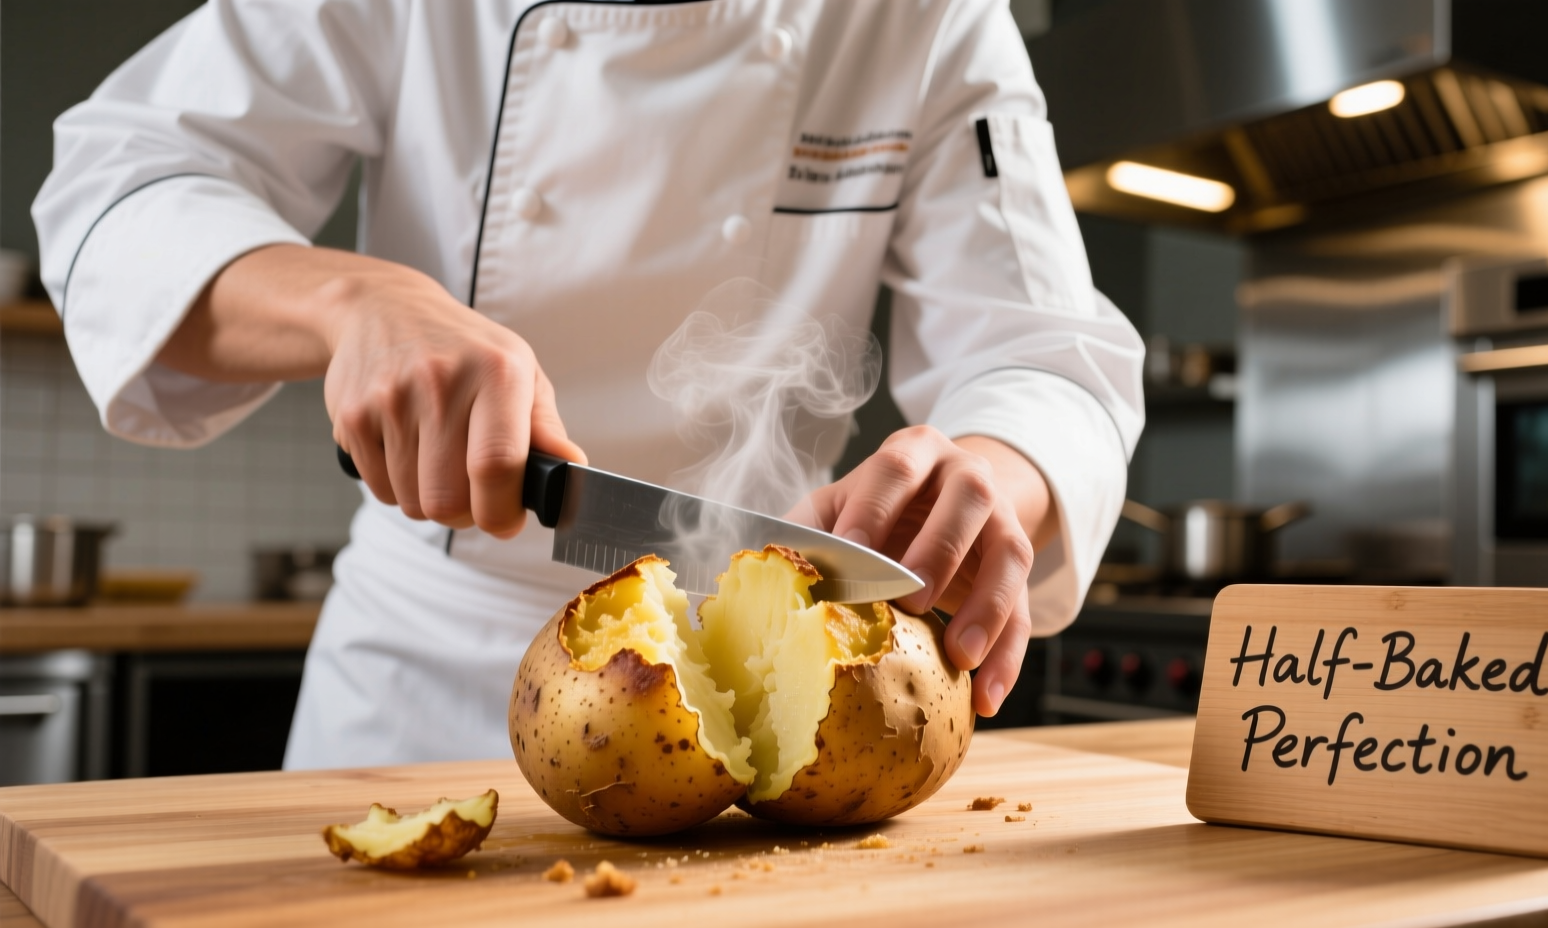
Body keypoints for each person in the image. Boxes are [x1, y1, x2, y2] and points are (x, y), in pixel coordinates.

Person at [34, 0, 1145, 769]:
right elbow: (115, 186)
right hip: (422, 679)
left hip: (768, 686)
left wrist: (990, 470)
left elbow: (1045, 353)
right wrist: (356, 300)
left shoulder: (926, 14)